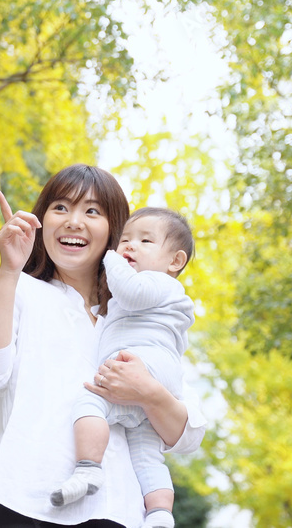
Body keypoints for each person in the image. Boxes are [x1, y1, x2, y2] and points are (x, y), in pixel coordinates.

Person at [0, 165, 206, 527]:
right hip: (22, 500)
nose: (73, 221)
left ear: (115, 232)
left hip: (118, 509)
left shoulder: (141, 313)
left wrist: (148, 392)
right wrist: (9, 270)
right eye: (60, 208)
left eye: (91, 211)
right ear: (42, 221)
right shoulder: (18, 289)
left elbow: (186, 434)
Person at [51, 207, 196, 528]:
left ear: (175, 262)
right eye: (125, 240)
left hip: (145, 365)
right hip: (155, 374)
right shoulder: (149, 291)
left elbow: (130, 293)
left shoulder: (159, 284)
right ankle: (160, 513)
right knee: (146, 453)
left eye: (145, 241)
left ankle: (88, 467)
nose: (129, 246)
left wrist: (111, 259)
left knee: (90, 403)